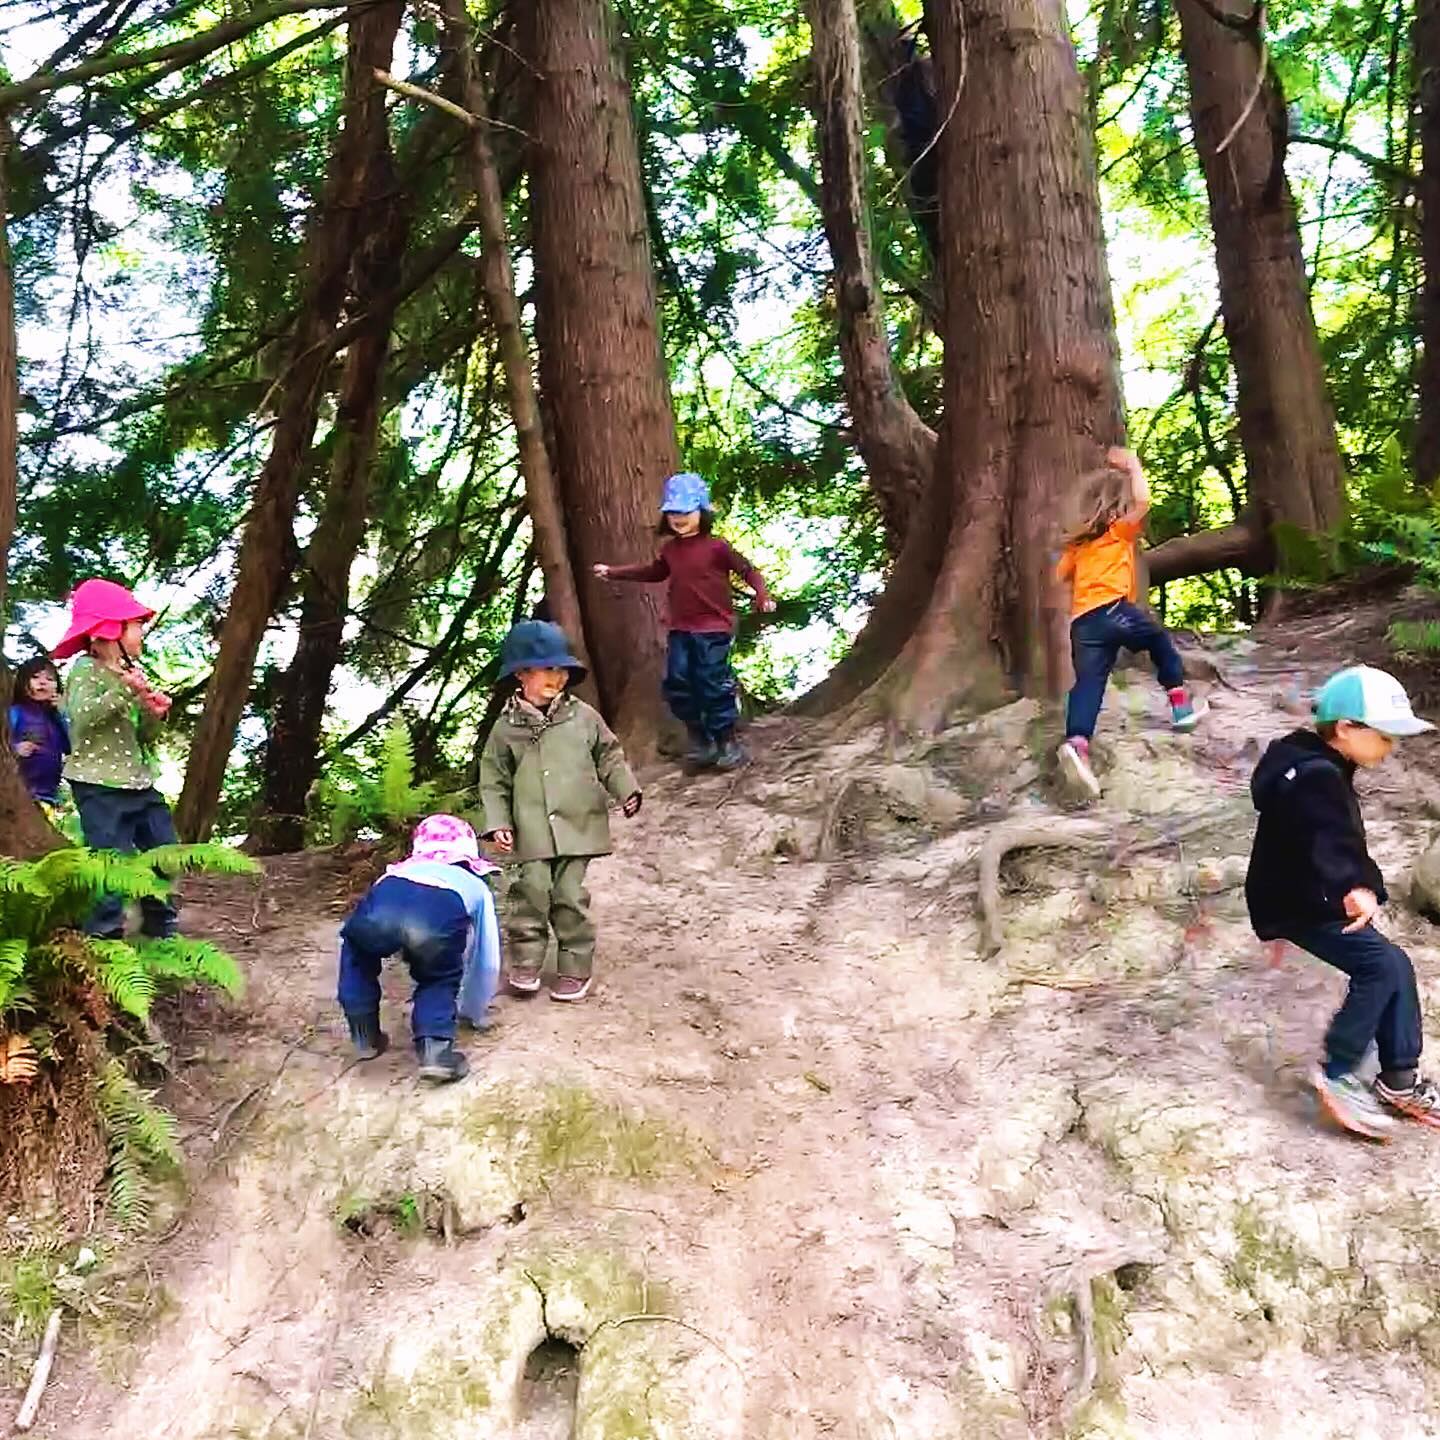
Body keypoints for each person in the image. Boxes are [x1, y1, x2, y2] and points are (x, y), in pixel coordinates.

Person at [1246, 665, 1437, 1140]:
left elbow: (1330, 836)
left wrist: (1356, 879)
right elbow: (1326, 836)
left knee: (1393, 963)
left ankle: (1399, 1078)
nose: (1391, 747)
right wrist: (1354, 885)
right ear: (1347, 727)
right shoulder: (1315, 777)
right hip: (1301, 901)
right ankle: (1339, 1069)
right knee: (1380, 967)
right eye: (1385, 736)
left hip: (1308, 891)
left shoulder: (1312, 762)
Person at [479, 620, 641, 1002]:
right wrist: (498, 822)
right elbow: (493, 779)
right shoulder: (505, 728)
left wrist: (625, 789)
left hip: (577, 824)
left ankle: (574, 966)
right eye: (546, 668)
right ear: (521, 674)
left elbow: (610, 755)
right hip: (532, 828)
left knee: (569, 895)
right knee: (530, 892)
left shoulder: (583, 717)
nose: (557, 676)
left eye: (561, 668)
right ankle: (526, 962)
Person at [592, 471, 775, 771]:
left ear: (701, 512)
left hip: (714, 628)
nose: (679, 517)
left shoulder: (717, 547)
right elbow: (653, 572)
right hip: (681, 629)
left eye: (685, 511)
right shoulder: (670, 550)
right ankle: (701, 741)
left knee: (712, 683)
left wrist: (761, 594)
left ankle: (727, 742)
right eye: (673, 512)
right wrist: (614, 572)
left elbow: (748, 570)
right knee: (677, 683)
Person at [1054, 447, 1205, 799]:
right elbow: (1144, 502)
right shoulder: (1117, 532)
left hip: (1083, 624)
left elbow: (1058, 577)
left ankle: (1077, 743)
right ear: (1115, 508)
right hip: (1114, 611)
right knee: (1159, 642)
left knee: (1088, 683)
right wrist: (1133, 464)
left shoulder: (1077, 549)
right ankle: (1180, 704)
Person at [52, 580, 177, 939]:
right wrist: (126, 690)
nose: (141, 633)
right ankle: (104, 940)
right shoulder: (84, 670)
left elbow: (142, 737)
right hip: (99, 787)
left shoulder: (130, 673)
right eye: (136, 625)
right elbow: (84, 715)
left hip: (138, 781)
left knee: (165, 853)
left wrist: (154, 713)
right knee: (112, 864)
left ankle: (160, 927)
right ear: (111, 629)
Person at [337, 814, 501, 1084]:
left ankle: (364, 1034)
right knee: (438, 977)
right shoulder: (475, 886)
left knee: (357, 952)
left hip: (379, 916)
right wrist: (474, 1010)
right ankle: (435, 1053)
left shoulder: (394, 873)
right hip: (433, 925)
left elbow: (367, 912)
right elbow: (487, 960)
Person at [9, 656, 70, 808]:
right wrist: (15, 749)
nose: (42, 682)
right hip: (21, 791)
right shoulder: (16, 712)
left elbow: (72, 745)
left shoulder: (55, 717)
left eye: (49, 679)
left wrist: (63, 712)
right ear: (22, 682)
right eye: (35, 677)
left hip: (49, 795)